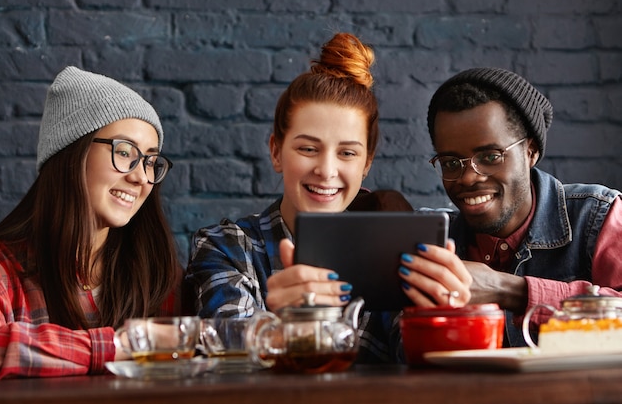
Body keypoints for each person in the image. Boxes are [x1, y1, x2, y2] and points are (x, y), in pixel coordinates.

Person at [187, 32, 471, 363]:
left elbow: (426, 369)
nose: (326, 170)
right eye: (308, 149)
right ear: (276, 152)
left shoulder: (402, 252)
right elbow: (224, 357)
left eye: (347, 153)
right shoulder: (227, 248)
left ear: (366, 164)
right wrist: (282, 328)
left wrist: (448, 321)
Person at [0, 66, 183, 379]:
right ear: (71, 152)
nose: (140, 177)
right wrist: (118, 347)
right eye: (124, 152)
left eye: (150, 161)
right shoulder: (4, 269)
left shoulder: (159, 278)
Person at [424, 67, 622, 346]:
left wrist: (510, 291)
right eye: (451, 163)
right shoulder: (435, 241)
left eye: (491, 156)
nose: (468, 177)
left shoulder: (596, 217)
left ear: (530, 152)